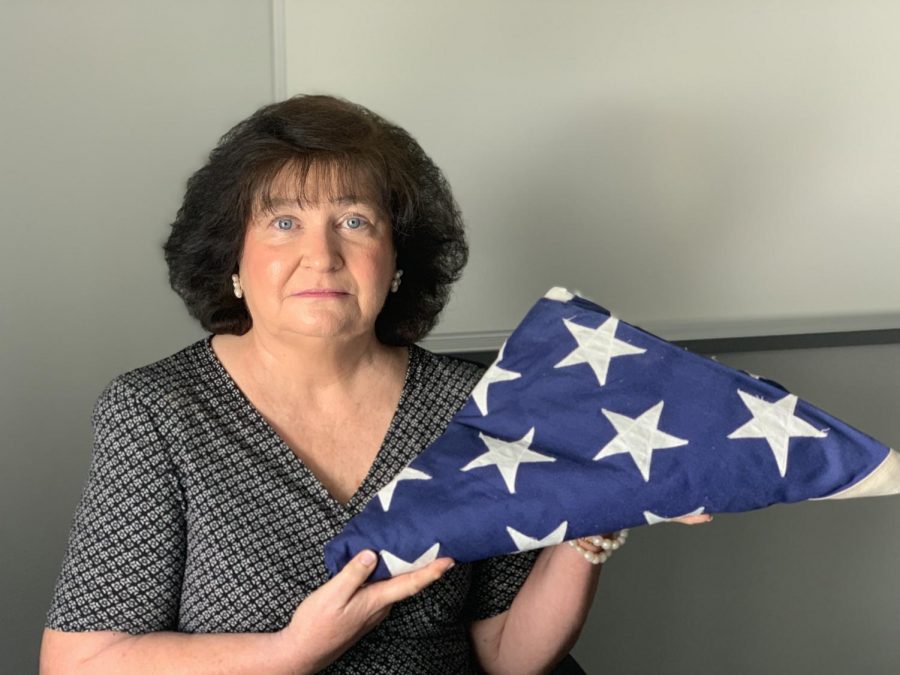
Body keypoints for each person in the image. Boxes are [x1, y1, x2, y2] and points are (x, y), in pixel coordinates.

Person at [40, 94, 709, 674]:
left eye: (354, 221)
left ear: (395, 261)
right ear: (232, 259)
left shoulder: (475, 404)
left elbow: (507, 654)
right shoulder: (158, 410)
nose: (322, 254)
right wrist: (290, 655)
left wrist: (591, 523)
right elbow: (82, 659)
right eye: (283, 221)